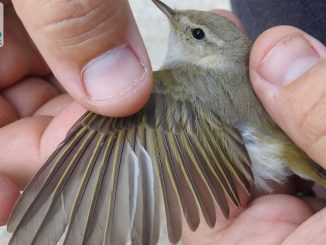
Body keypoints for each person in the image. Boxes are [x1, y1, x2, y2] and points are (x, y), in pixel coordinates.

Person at [0, 0, 325, 243]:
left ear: (212, 52)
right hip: (287, 143)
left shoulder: (170, 88)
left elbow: (124, 149)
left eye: (196, 34)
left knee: (114, 117)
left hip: (276, 167)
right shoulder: (248, 61)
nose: (176, 23)